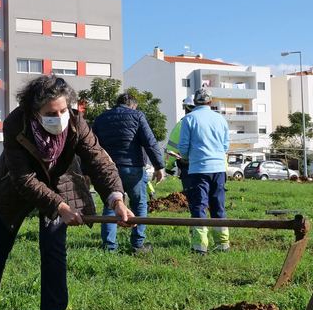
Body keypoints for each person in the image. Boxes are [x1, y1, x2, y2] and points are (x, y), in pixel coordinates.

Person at [0, 75, 133, 310]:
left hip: (60, 183)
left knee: (54, 251)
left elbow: (98, 160)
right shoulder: (16, 123)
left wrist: (117, 200)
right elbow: (23, 178)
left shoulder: (77, 122)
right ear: (35, 112)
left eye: (62, 111)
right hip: (14, 187)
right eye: (50, 113)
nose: (58, 118)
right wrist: (61, 207)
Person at [91, 92, 165, 254]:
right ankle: (137, 244)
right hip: (133, 168)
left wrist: (87, 170)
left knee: (111, 206)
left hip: (108, 169)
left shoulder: (101, 118)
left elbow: (91, 146)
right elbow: (150, 142)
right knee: (139, 204)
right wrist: (159, 166)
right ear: (133, 105)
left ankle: (109, 246)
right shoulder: (137, 116)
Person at [178, 88, 231, 254]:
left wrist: (187, 157)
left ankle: (200, 247)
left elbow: (183, 147)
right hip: (219, 168)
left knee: (199, 206)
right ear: (210, 102)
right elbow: (225, 146)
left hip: (198, 169)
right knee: (218, 205)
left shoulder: (188, 119)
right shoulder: (220, 119)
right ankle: (223, 244)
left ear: (194, 102)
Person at [165, 95, 196, 190]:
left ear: (187, 107)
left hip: (189, 167)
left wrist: (168, 166)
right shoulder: (212, 122)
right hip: (213, 169)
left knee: (192, 198)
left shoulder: (182, 124)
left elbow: (172, 147)